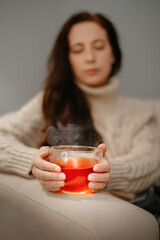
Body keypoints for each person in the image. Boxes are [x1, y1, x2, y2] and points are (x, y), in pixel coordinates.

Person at [0, 11, 159, 201]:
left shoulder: (139, 112)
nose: (90, 57)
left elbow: (150, 162)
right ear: (68, 59)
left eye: (99, 47)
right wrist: (32, 162)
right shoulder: (51, 101)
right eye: (78, 50)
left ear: (113, 54)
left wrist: (111, 172)